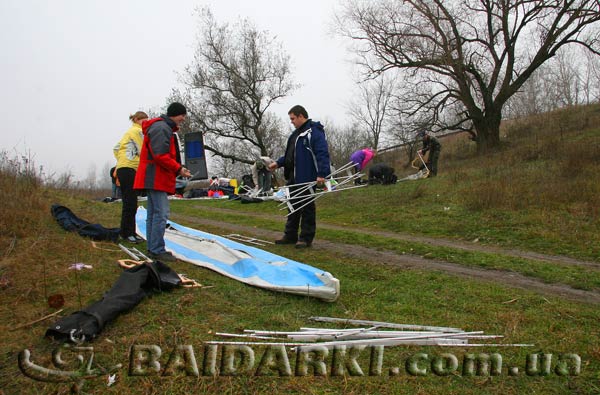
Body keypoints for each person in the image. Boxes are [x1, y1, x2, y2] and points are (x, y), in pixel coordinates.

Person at [134, 103, 191, 262]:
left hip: (153, 176)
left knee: (153, 213)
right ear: (175, 114)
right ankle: (157, 249)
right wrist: (178, 169)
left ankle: (152, 247)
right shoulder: (162, 128)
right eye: (182, 115)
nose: (183, 119)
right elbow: (160, 155)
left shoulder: (161, 127)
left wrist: (177, 169)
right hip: (155, 177)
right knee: (161, 213)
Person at [268, 105, 331, 249]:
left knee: (307, 207)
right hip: (293, 178)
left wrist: (322, 174)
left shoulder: (314, 132)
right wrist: (278, 163)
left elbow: (322, 153)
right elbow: (290, 156)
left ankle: (305, 238)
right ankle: (290, 235)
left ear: (301, 116)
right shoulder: (295, 135)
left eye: (293, 119)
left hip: (307, 178)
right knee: (292, 207)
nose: (292, 122)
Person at [113, 111, 148, 243]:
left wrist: (122, 159)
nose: (146, 124)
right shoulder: (137, 132)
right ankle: (127, 233)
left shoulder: (128, 132)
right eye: (144, 121)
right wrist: (132, 160)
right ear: (138, 120)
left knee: (130, 201)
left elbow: (116, 148)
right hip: (130, 169)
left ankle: (128, 231)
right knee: (131, 202)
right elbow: (142, 150)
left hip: (124, 168)